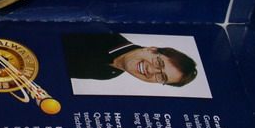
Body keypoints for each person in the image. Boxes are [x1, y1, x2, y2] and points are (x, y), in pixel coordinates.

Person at [62, 32, 198, 87]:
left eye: (161, 77)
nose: (150, 71)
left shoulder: (109, 74)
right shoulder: (103, 34)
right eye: (159, 63)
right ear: (151, 49)